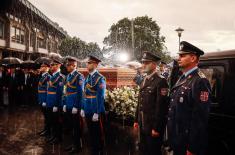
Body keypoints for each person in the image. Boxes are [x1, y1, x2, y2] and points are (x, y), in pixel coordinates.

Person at [167, 41, 211, 155]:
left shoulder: (200, 81)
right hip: (178, 138)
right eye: (179, 55)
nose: (178, 58)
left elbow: (200, 118)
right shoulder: (183, 77)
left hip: (187, 142)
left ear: (192, 58)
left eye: (182, 55)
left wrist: (193, 147)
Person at [134, 51, 169, 155]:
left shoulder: (161, 81)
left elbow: (161, 107)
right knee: (143, 150)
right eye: (143, 62)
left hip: (152, 126)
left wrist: (156, 128)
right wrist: (136, 119)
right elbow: (140, 101)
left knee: (153, 151)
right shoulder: (144, 79)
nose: (143, 65)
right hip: (143, 123)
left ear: (154, 64)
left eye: (146, 63)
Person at [82, 55, 106, 155]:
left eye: (89, 63)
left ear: (95, 64)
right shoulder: (87, 77)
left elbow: (101, 96)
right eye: (87, 63)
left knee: (98, 133)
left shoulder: (100, 78)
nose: (87, 64)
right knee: (91, 132)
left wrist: (97, 112)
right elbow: (84, 94)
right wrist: (83, 108)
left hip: (95, 109)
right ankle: (94, 150)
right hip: (87, 108)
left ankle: (99, 151)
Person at [63, 56, 84, 153]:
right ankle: (73, 144)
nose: (66, 67)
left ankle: (78, 146)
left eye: (68, 65)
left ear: (73, 65)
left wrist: (76, 106)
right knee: (71, 126)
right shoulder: (68, 76)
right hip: (68, 103)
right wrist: (64, 103)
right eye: (67, 65)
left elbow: (80, 93)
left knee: (76, 127)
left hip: (75, 105)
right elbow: (66, 91)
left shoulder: (79, 76)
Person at [46, 57, 65, 144]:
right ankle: (54, 136)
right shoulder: (53, 76)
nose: (51, 66)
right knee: (52, 121)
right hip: (50, 102)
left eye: (53, 65)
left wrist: (56, 105)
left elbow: (59, 93)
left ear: (59, 66)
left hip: (55, 103)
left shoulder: (60, 77)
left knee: (57, 122)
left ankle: (58, 137)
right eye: (51, 65)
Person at [37, 61, 51, 137]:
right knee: (45, 116)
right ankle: (45, 129)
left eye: (42, 66)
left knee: (47, 116)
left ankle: (48, 131)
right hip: (41, 98)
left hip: (45, 100)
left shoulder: (48, 77)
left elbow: (48, 90)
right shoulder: (42, 76)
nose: (40, 67)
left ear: (46, 68)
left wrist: (45, 101)